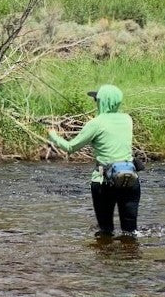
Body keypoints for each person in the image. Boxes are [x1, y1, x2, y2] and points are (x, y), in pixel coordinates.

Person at [48, 84, 140, 237]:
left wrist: (53, 136)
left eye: (97, 100)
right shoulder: (127, 119)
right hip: (130, 180)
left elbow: (70, 147)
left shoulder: (95, 124)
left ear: (102, 102)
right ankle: (130, 258)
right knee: (130, 233)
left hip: (104, 182)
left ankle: (105, 260)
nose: (95, 102)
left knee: (105, 231)